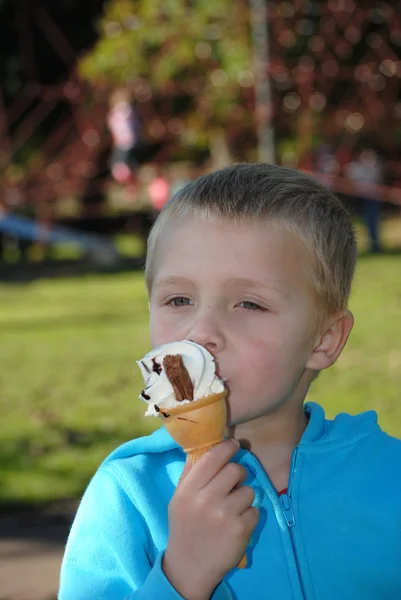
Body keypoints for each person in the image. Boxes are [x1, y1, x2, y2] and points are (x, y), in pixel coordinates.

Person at [58, 163, 401, 600]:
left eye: (248, 304)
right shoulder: (129, 494)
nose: (200, 332)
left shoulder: (388, 478)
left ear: (324, 339)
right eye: (178, 299)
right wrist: (181, 576)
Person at [346, 147, 383, 253]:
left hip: (371, 198)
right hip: (360, 198)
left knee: (372, 220)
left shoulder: (372, 167)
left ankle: (375, 245)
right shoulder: (357, 167)